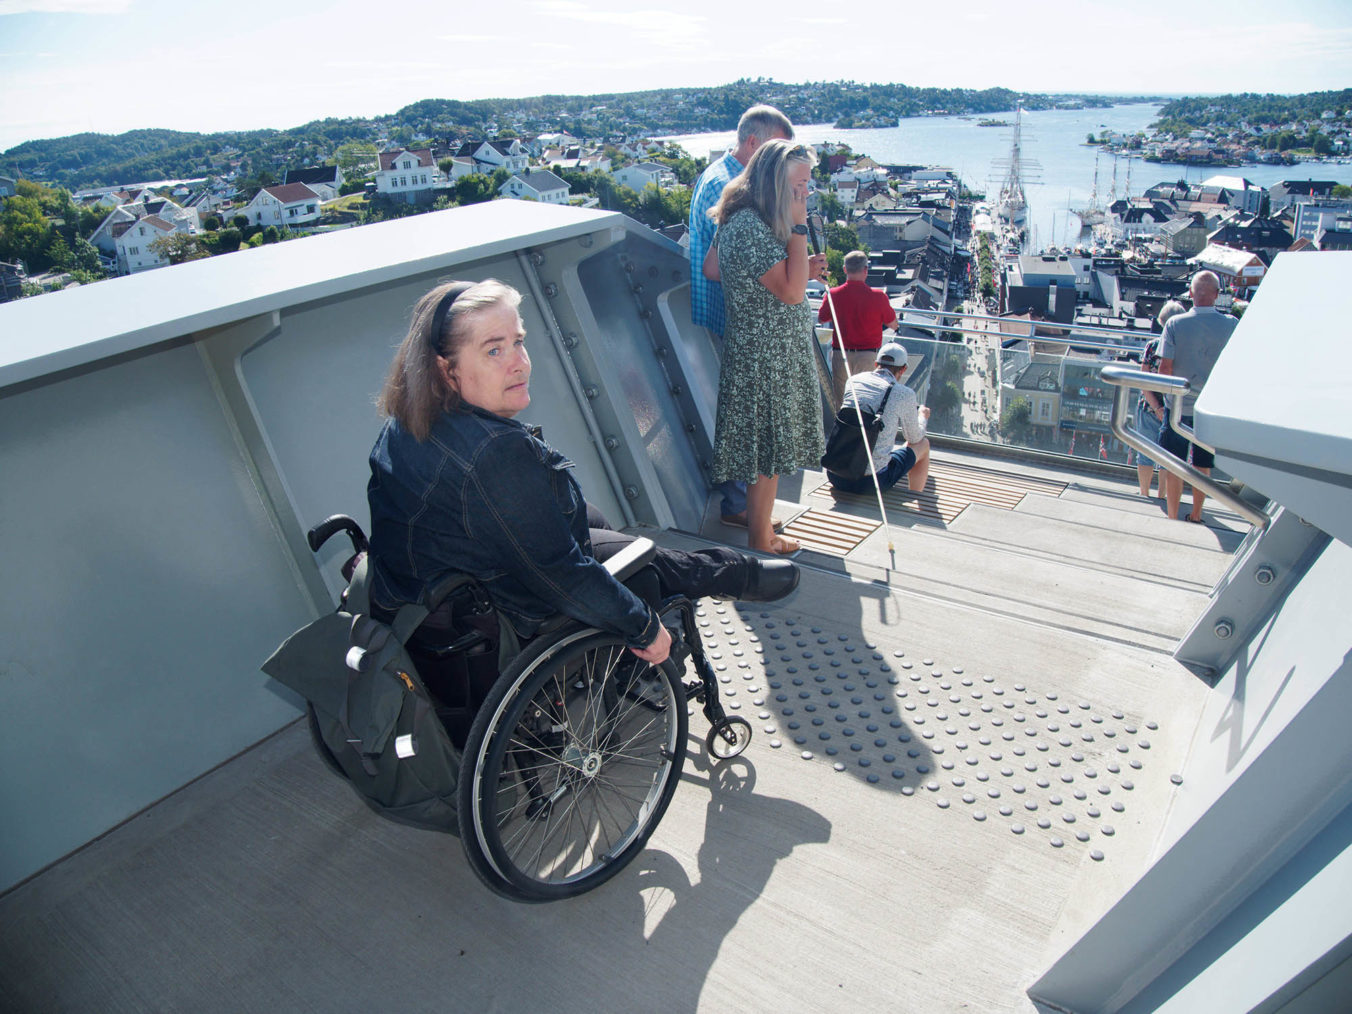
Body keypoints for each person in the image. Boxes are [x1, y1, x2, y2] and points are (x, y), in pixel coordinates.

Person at [365, 279, 799, 668]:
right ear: (446, 368)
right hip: (491, 621)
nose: (519, 362)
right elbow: (561, 573)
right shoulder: (493, 454)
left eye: (519, 341)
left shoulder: (406, 422)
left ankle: (721, 571)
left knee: (591, 518)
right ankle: (722, 576)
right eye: (493, 350)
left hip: (432, 606)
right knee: (639, 565)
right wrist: (643, 627)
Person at [703, 139, 829, 555]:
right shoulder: (757, 227)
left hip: (757, 347)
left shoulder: (739, 218)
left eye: (806, 187)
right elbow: (793, 296)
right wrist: (797, 228)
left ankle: (758, 524)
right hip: (768, 353)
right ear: (774, 181)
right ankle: (763, 538)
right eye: (797, 187)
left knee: (763, 448)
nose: (804, 194)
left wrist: (790, 268)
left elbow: (714, 268)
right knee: (768, 453)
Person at [687, 104, 794, 530]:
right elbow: (733, 260)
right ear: (753, 143)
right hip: (737, 317)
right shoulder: (729, 187)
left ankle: (742, 502)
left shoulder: (722, 178)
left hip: (727, 311)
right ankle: (739, 506)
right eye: (777, 151)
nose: (782, 164)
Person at [1158, 271, 1238, 523]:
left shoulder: (1174, 324)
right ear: (1216, 294)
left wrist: (1167, 401)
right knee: (1203, 463)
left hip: (1179, 406)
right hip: (1211, 407)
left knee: (1174, 463)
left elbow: (1165, 369)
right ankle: (1196, 512)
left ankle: (1172, 514)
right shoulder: (1232, 325)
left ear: (1191, 293)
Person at [825, 343, 931, 495]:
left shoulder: (854, 382)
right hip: (871, 483)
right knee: (923, 444)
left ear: (876, 364)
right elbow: (914, 438)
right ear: (904, 369)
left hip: (835, 474)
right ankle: (914, 496)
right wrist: (922, 417)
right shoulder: (904, 393)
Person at [818, 250, 898, 409]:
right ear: (865, 270)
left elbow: (822, 318)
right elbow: (893, 325)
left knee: (842, 402)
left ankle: (842, 431)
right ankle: (862, 433)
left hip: (841, 355)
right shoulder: (878, 296)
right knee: (865, 402)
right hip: (868, 356)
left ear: (845, 269)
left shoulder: (833, 294)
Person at [1133, 300, 1185, 499]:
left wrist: (1156, 407)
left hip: (1148, 406)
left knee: (1144, 451)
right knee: (1168, 456)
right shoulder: (1182, 349)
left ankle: (1144, 493)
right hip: (1174, 408)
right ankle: (1162, 495)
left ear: (1161, 321)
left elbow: (1143, 380)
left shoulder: (1152, 346)